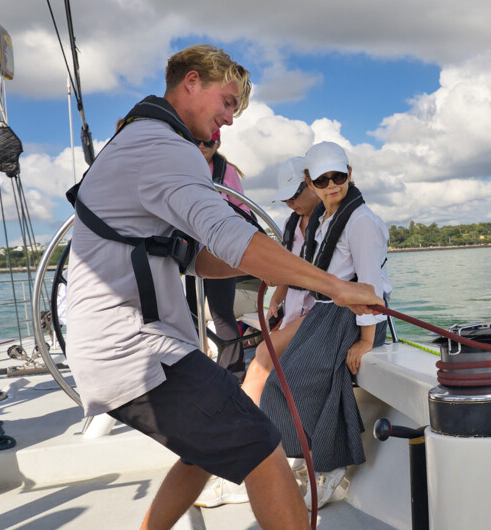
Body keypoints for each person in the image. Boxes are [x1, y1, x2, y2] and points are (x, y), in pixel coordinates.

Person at [64, 45, 382, 530]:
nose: (229, 120)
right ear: (191, 82)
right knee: (261, 444)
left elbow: (192, 256)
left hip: (122, 345)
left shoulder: (138, 140)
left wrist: (277, 271)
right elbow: (231, 236)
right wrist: (335, 285)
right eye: (228, 102)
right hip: (136, 350)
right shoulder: (165, 147)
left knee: (202, 452)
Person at [259, 141, 392, 510]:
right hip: (328, 313)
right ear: (311, 182)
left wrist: (366, 342)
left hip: (356, 316)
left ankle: (329, 466)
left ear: (349, 173)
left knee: (298, 380)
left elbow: (370, 289)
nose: (332, 185)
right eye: (322, 179)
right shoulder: (326, 219)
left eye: (338, 176)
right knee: (280, 382)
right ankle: (309, 455)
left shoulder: (361, 222)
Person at [241, 156, 320, 404]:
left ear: (312, 183)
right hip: (296, 309)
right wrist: (277, 297)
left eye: (294, 195)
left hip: (321, 312)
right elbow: (289, 264)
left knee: (265, 353)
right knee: (269, 355)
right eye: (285, 198)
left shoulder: (334, 223)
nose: (290, 202)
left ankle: (242, 429)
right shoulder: (290, 224)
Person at [185, 129, 255, 378]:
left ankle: (234, 374)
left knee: (221, 313)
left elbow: (243, 211)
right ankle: (196, 362)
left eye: (209, 141)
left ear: (218, 142)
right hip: (190, 251)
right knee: (190, 309)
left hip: (220, 252)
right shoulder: (181, 166)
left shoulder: (228, 173)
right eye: (197, 140)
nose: (203, 145)